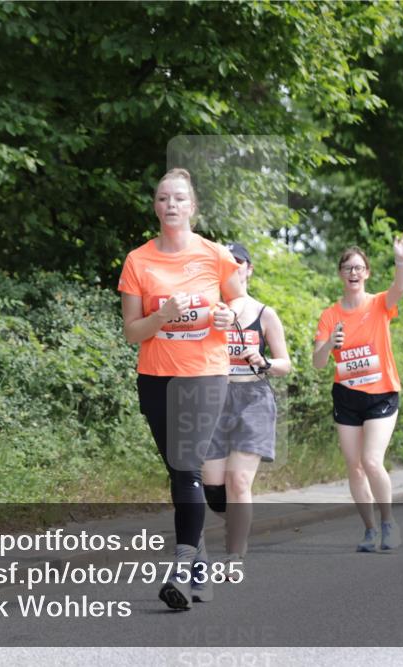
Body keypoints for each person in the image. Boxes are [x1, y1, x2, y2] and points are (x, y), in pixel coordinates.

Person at [118, 168, 247, 608]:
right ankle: (199, 570)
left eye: (178, 199)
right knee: (179, 474)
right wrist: (162, 316)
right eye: (162, 199)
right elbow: (132, 332)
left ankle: (179, 569)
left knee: (188, 466)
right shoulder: (138, 260)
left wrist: (230, 317)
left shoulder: (214, 255)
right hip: (156, 377)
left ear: (192, 207)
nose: (170, 205)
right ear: (155, 207)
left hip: (205, 373)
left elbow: (239, 303)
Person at [313, 230, 403, 552]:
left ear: (367, 273)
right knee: (354, 466)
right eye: (348, 269)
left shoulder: (378, 305)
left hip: (382, 393)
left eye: (359, 268)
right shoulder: (330, 316)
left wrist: (400, 259)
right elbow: (318, 363)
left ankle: (389, 522)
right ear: (340, 275)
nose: (354, 273)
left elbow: (398, 289)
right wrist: (330, 343)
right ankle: (370, 529)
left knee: (371, 460)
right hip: (346, 396)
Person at [202, 242, 291, 570]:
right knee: (214, 485)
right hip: (215, 400)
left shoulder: (265, 314)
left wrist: (265, 361)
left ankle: (234, 554)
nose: (232, 267)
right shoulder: (212, 311)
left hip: (253, 399)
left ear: (249, 269)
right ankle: (237, 517)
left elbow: (286, 364)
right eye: (226, 262)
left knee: (238, 481)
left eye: (238, 261)